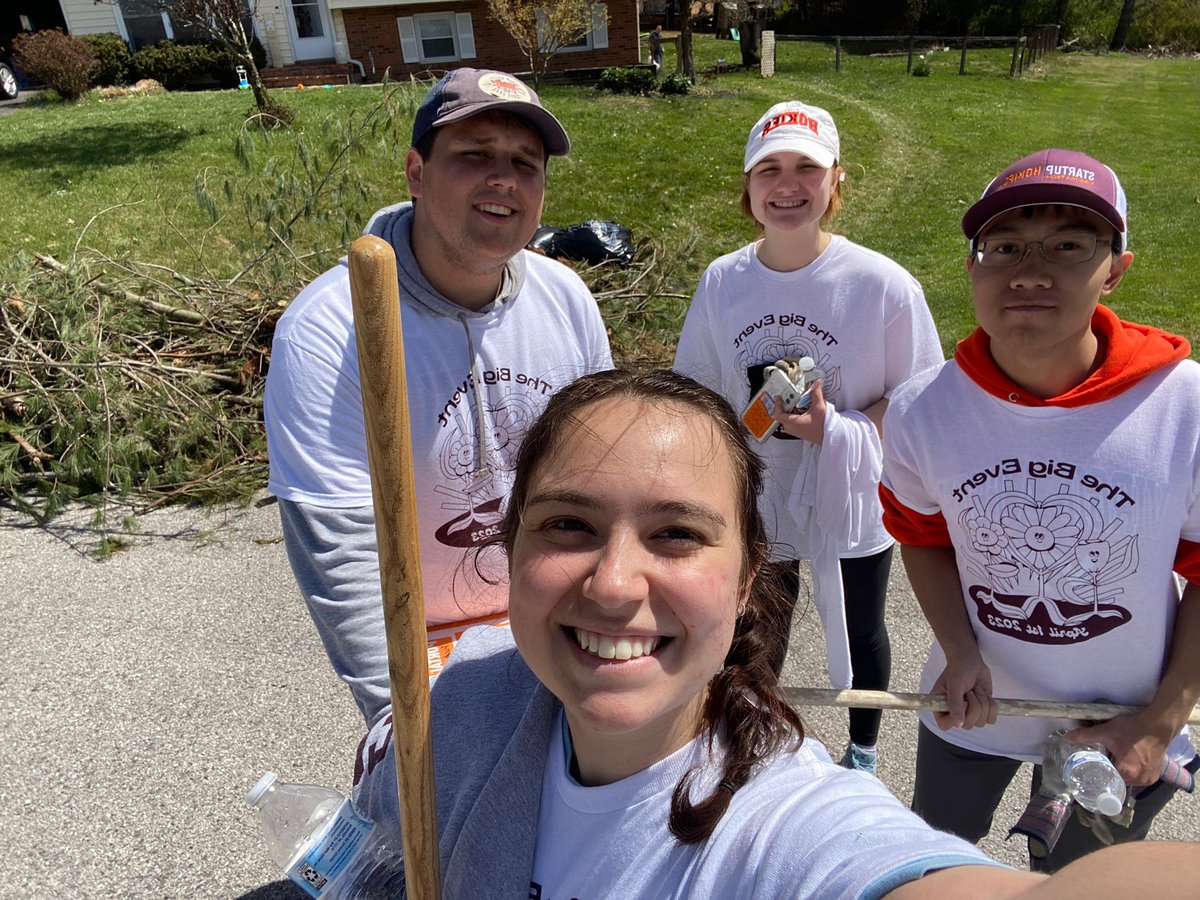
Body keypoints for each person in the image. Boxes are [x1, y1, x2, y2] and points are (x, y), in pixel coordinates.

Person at [352, 369, 1199, 898]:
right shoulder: (462, 706)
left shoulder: (787, 826)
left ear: (749, 576)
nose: (612, 583)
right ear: (512, 548)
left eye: (677, 534)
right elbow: (364, 864)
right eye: (568, 525)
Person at [879, 148, 1200, 871]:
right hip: (973, 710)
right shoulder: (924, 410)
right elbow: (923, 535)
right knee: (937, 858)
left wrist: (1163, 718)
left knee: (1083, 882)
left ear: (1116, 268)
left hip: (1125, 720)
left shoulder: (1183, 407)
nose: (1029, 271)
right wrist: (960, 650)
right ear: (972, 266)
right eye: (1005, 247)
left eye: (1068, 246)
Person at [264, 68, 613, 728]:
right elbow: (339, 550)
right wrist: (398, 716)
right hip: (423, 645)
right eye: (474, 155)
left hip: (556, 623)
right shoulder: (332, 330)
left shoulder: (565, 302)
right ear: (416, 172)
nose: (503, 179)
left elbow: (601, 479)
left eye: (524, 163)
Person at [673, 101, 943, 774]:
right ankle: (749, 738)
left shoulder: (882, 286)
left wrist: (838, 428)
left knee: (859, 623)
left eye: (806, 168)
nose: (787, 184)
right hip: (757, 491)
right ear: (748, 188)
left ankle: (864, 749)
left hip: (852, 490)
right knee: (755, 626)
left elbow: (922, 400)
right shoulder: (724, 281)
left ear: (836, 183)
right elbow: (698, 391)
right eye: (769, 168)